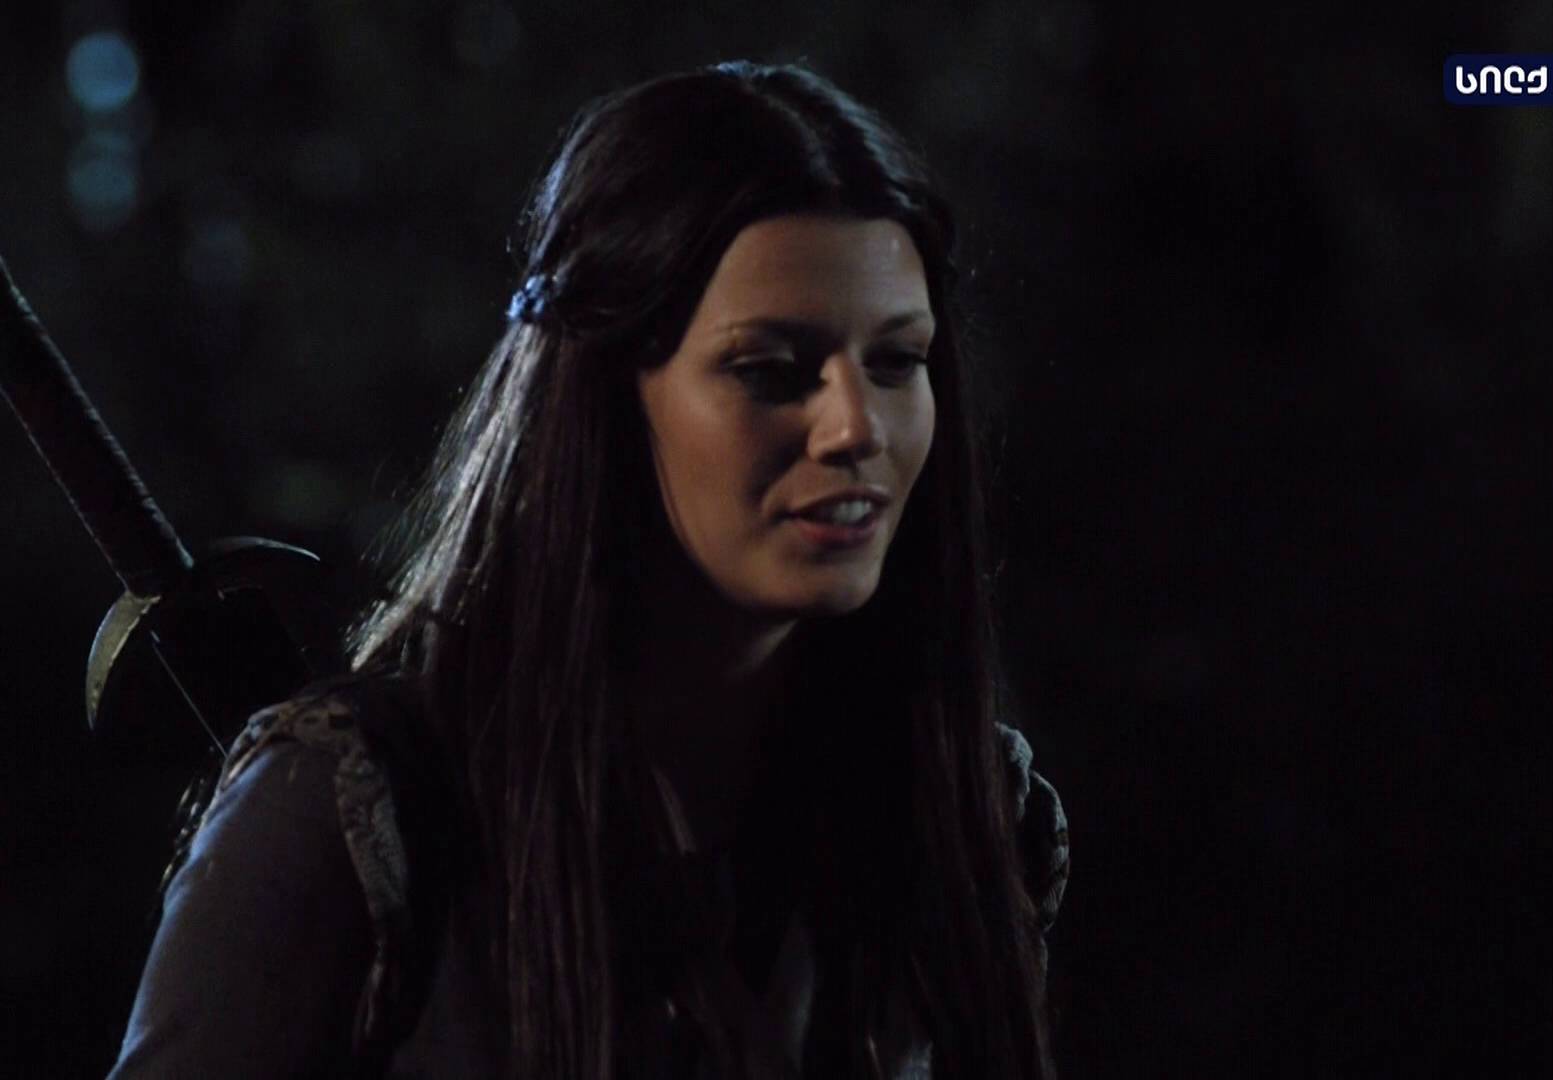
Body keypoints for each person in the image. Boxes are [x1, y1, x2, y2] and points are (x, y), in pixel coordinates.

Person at [107, 61, 1068, 1079]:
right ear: (609, 394)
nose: (856, 428)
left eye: (896, 362)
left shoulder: (957, 815)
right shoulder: (347, 818)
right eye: (770, 370)